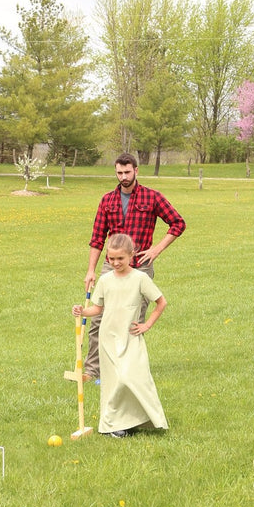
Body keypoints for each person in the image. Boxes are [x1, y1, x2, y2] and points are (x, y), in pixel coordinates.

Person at [84, 153, 185, 380]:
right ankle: (92, 370)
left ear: (136, 171)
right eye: (119, 173)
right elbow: (97, 238)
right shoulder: (107, 200)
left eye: (127, 172)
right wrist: (91, 270)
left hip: (140, 267)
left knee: (131, 322)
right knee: (99, 319)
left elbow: (178, 223)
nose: (123, 177)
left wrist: (156, 249)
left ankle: (125, 371)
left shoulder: (152, 198)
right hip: (111, 267)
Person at [74, 233, 168, 437]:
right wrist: (82, 311)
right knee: (114, 382)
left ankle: (143, 418)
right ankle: (112, 425)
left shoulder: (140, 278)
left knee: (133, 377)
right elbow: (97, 309)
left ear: (131, 256)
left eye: (120, 258)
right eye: (112, 258)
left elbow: (161, 302)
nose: (116, 262)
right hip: (108, 338)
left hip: (131, 337)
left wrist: (146, 325)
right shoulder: (105, 280)